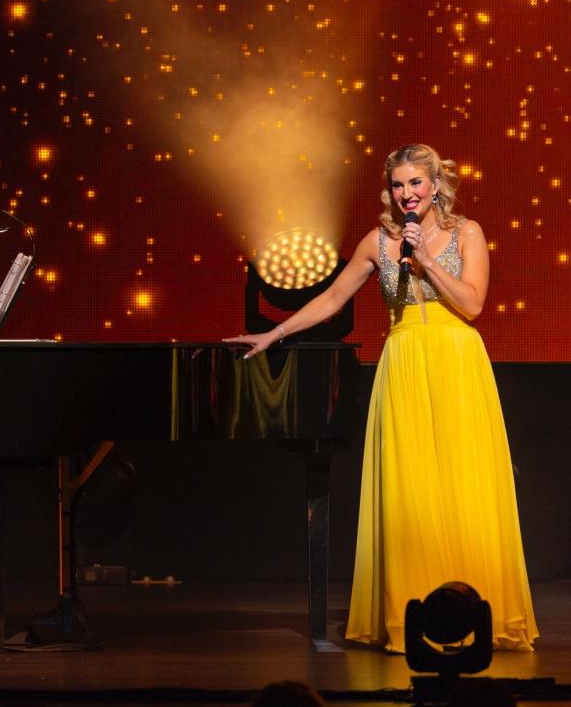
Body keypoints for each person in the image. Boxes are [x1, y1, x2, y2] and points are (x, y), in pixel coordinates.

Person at [225, 144, 538, 652]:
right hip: (404, 362)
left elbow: (473, 304)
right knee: (409, 492)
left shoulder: (468, 233)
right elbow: (331, 299)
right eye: (397, 185)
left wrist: (427, 260)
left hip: (458, 362)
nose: (406, 193)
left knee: (464, 484)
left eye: (415, 183)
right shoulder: (378, 241)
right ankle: (409, 614)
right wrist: (274, 334)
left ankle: (474, 610)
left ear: (435, 186)